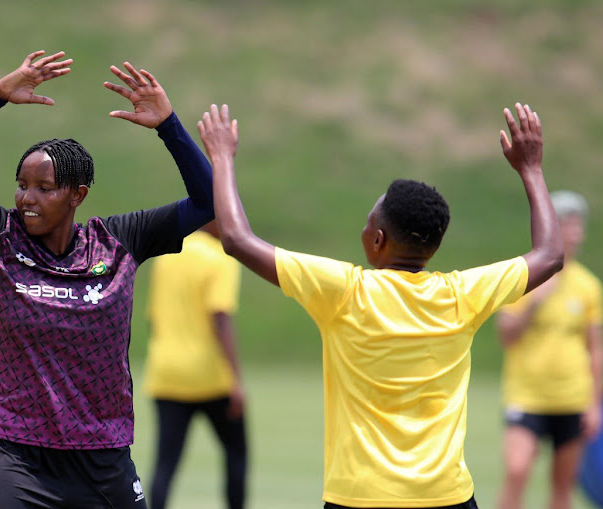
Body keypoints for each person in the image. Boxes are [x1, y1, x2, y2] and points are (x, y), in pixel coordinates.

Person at [197, 102, 563, 508]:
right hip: (446, 498)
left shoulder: (343, 292)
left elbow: (236, 239)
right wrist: (531, 169)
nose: (364, 228)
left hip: (360, 499)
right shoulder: (464, 295)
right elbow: (549, 254)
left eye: (369, 222)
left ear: (378, 240)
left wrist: (222, 159)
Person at [0, 50, 214, 509]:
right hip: (13, 457)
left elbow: (210, 201)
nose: (26, 198)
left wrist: (170, 125)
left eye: (44, 189)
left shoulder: (119, 242)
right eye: (22, 184)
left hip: (102, 460)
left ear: (77, 194)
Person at [496, 190, 602, 509]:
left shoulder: (588, 286)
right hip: (527, 396)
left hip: (571, 397)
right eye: (566, 223)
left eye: (577, 225)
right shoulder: (522, 277)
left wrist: (595, 403)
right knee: (516, 471)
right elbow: (506, 335)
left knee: (562, 486)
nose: (574, 232)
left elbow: (595, 349)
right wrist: (534, 304)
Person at [142, 219, 247, 509]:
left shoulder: (167, 255)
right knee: (236, 454)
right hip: (210, 376)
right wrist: (236, 380)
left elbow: (154, 318)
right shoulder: (220, 258)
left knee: (165, 464)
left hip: (166, 373)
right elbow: (220, 318)